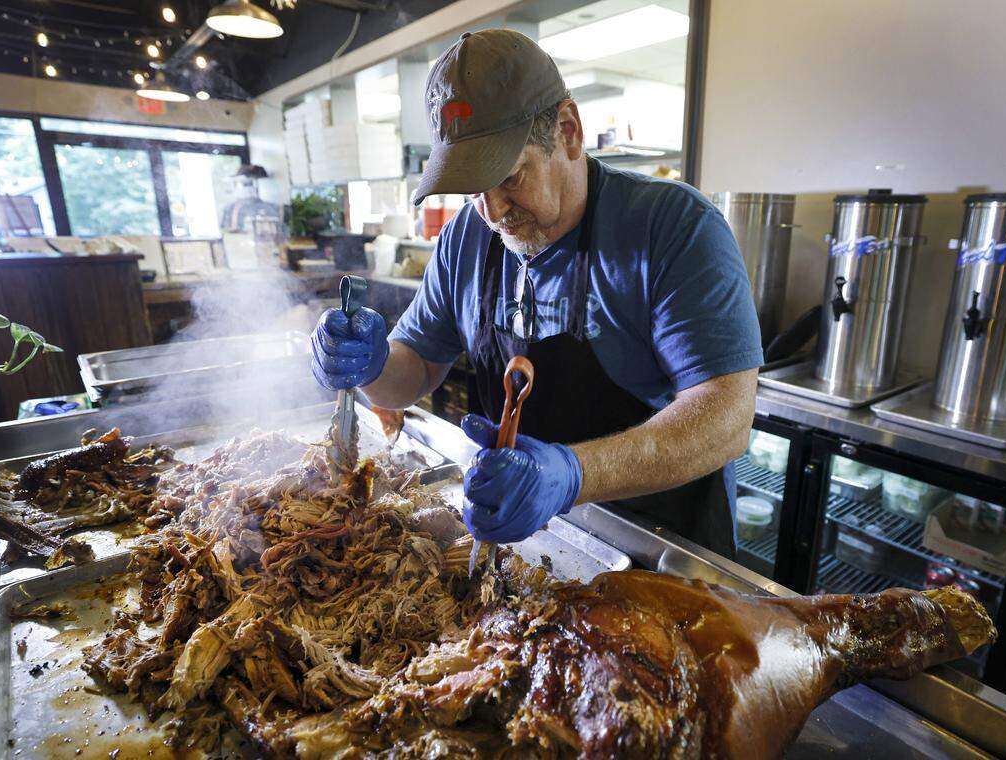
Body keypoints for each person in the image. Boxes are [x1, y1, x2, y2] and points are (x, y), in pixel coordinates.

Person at [312, 29, 762, 558]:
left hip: (658, 549)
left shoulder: (672, 226)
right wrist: (371, 363)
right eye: (471, 188)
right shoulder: (466, 236)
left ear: (568, 131)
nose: (493, 211)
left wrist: (572, 474)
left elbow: (726, 417)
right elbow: (410, 374)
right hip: (527, 542)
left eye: (509, 177)